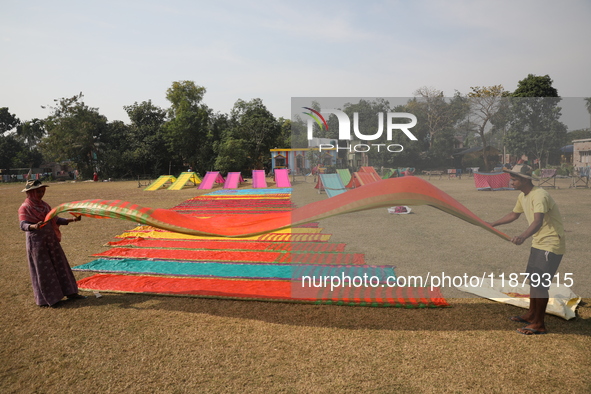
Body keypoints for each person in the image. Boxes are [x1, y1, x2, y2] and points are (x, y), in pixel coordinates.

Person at [489, 164, 565, 335]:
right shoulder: (523, 196)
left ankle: (539, 324)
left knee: (540, 284)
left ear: (524, 180)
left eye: (514, 179)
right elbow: (514, 215)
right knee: (534, 281)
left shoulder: (540, 195)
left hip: (551, 244)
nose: (511, 182)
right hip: (539, 242)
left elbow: (537, 221)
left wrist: (522, 236)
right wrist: (492, 224)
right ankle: (532, 314)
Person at [18, 180, 86, 308]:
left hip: (51, 241)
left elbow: (55, 219)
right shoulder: (25, 207)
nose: (41, 193)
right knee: (44, 270)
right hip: (37, 243)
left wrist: (73, 219)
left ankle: (71, 293)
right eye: (38, 191)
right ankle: (51, 299)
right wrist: (34, 226)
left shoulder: (45, 206)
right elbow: (23, 225)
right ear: (31, 192)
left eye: (43, 191)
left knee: (61, 265)